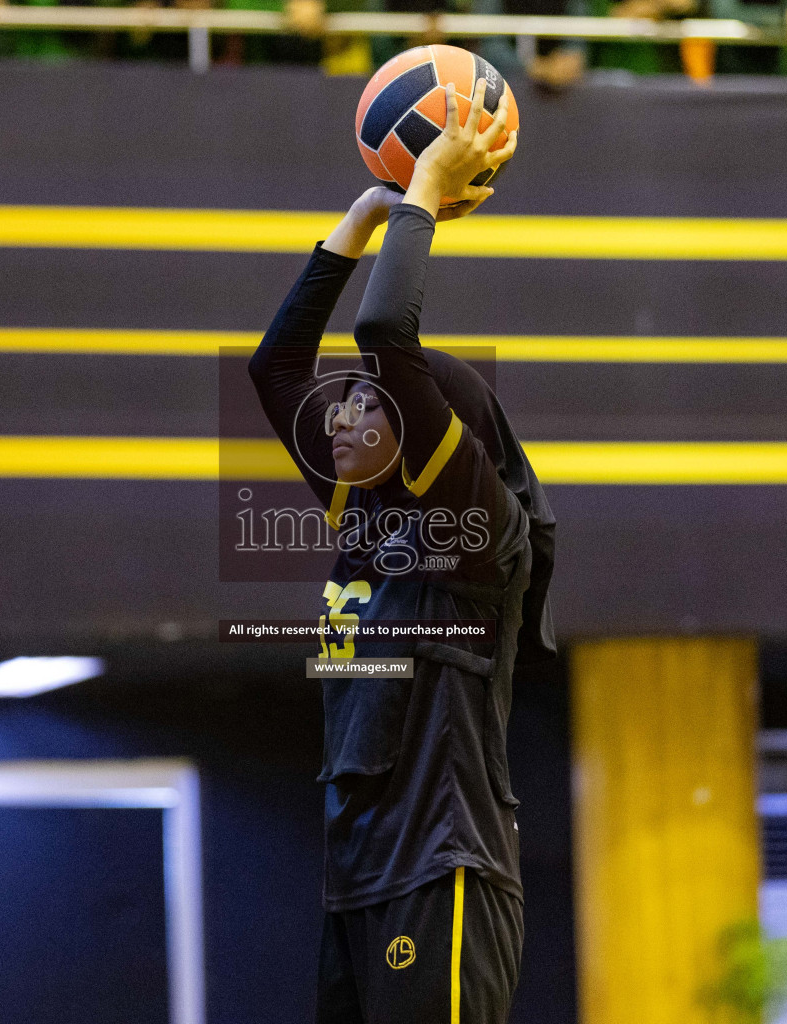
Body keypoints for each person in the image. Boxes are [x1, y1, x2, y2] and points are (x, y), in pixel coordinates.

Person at [249, 81, 556, 1024]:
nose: (344, 413)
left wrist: (423, 191)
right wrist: (361, 218)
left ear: (438, 436)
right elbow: (276, 367)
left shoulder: (478, 526)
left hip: (443, 868)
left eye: (371, 406)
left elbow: (386, 333)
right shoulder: (366, 514)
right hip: (361, 875)